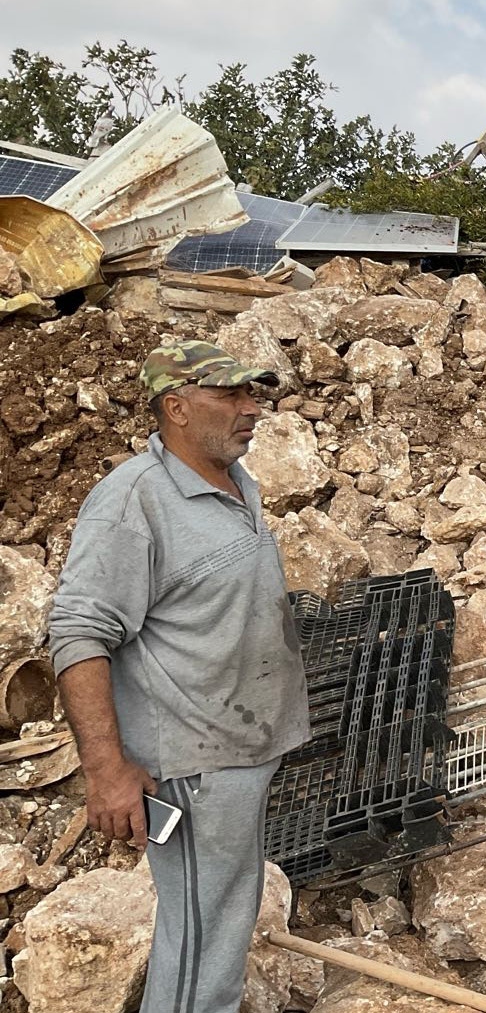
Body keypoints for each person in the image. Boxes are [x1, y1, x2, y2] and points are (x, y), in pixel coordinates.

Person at [48, 340, 310, 1013]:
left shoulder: (233, 480)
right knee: (201, 936)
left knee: (223, 916)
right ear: (176, 407)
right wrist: (106, 769)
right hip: (194, 766)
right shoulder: (134, 501)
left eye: (254, 394)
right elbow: (79, 633)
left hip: (243, 749)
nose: (251, 409)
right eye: (231, 395)